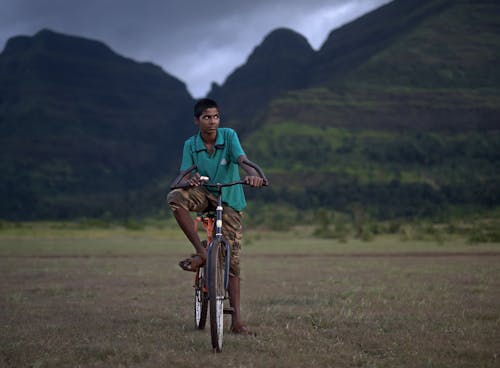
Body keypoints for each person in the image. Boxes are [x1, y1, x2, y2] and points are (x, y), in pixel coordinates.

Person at [167, 98, 265, 335]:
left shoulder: (229, 136)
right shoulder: (190, 144)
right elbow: (183, 174)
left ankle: (237, 321)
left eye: (216, 117)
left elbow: (243, 160)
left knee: (232, 262)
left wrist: (253, 175)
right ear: (197, 120)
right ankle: (202, 253)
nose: (212, 122)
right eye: (206, 117)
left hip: (230, 197)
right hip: (204, 194)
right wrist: (187, 181)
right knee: (175, 198)